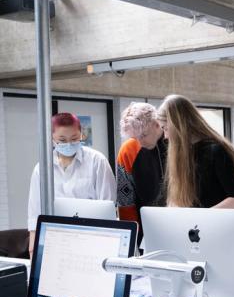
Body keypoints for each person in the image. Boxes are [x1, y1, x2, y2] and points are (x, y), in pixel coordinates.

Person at [27, 113, 116, 257]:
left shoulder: (97, 161)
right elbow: (35, 210)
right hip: (56, 238)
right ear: (52, 138)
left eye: (74, 139)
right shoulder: (42, 168)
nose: (69, 144)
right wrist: (33, 248)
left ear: (81, 135)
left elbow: (108, 205)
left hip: (93, 238)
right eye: (62, 140)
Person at [157, 94, 234, 208]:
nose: (165, 136)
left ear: (177, 125)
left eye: (165, 128)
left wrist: (202, 218)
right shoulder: (181, 154)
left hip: (216, 224)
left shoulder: (217, 151)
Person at [116, 102, 167, 240]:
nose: (140, 142)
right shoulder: (127, 150)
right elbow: (125, 200)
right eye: (134, 137)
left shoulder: (176, 144)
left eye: (143, 135)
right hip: (145, 231)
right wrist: (131, 237)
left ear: (157, 124)